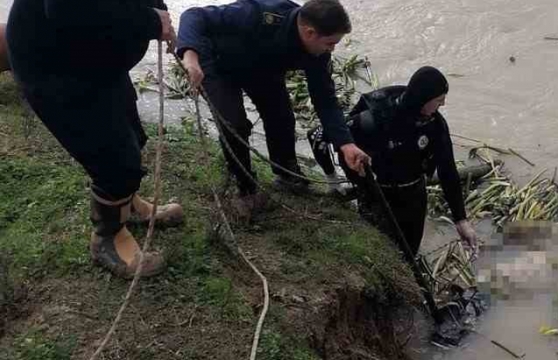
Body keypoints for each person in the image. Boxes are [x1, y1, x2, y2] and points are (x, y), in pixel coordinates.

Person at [6, 0, 183, 278]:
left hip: (95, 57)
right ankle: (108, 238)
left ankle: (128, 206)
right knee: (114, 158)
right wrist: (149, 20)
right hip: (55, 66)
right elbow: (70, 9)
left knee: (132, 134)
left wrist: (159, 13)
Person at [176, 0, 370, 218]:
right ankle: (245, 188)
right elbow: (194, 16)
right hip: (216, 63)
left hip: (262, 69)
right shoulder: (259, 13)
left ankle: (286, 174)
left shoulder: (317, 52)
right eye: (330, 43)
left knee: (282, 118)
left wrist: (346, 144)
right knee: (234, 124)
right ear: (309, 32)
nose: (332, 49)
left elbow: (325, 100)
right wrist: (190, 56)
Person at [308, 66, 478, 255]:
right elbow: (317, 136)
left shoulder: (434, 125)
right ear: (422, 99)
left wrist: (461, 220)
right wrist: (332, 178)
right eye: (439, 99)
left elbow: (448, 171)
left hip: (414, 194)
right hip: (376, 196)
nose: (444, 104)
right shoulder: (372, 121)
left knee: (410, 251)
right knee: (378, 250)